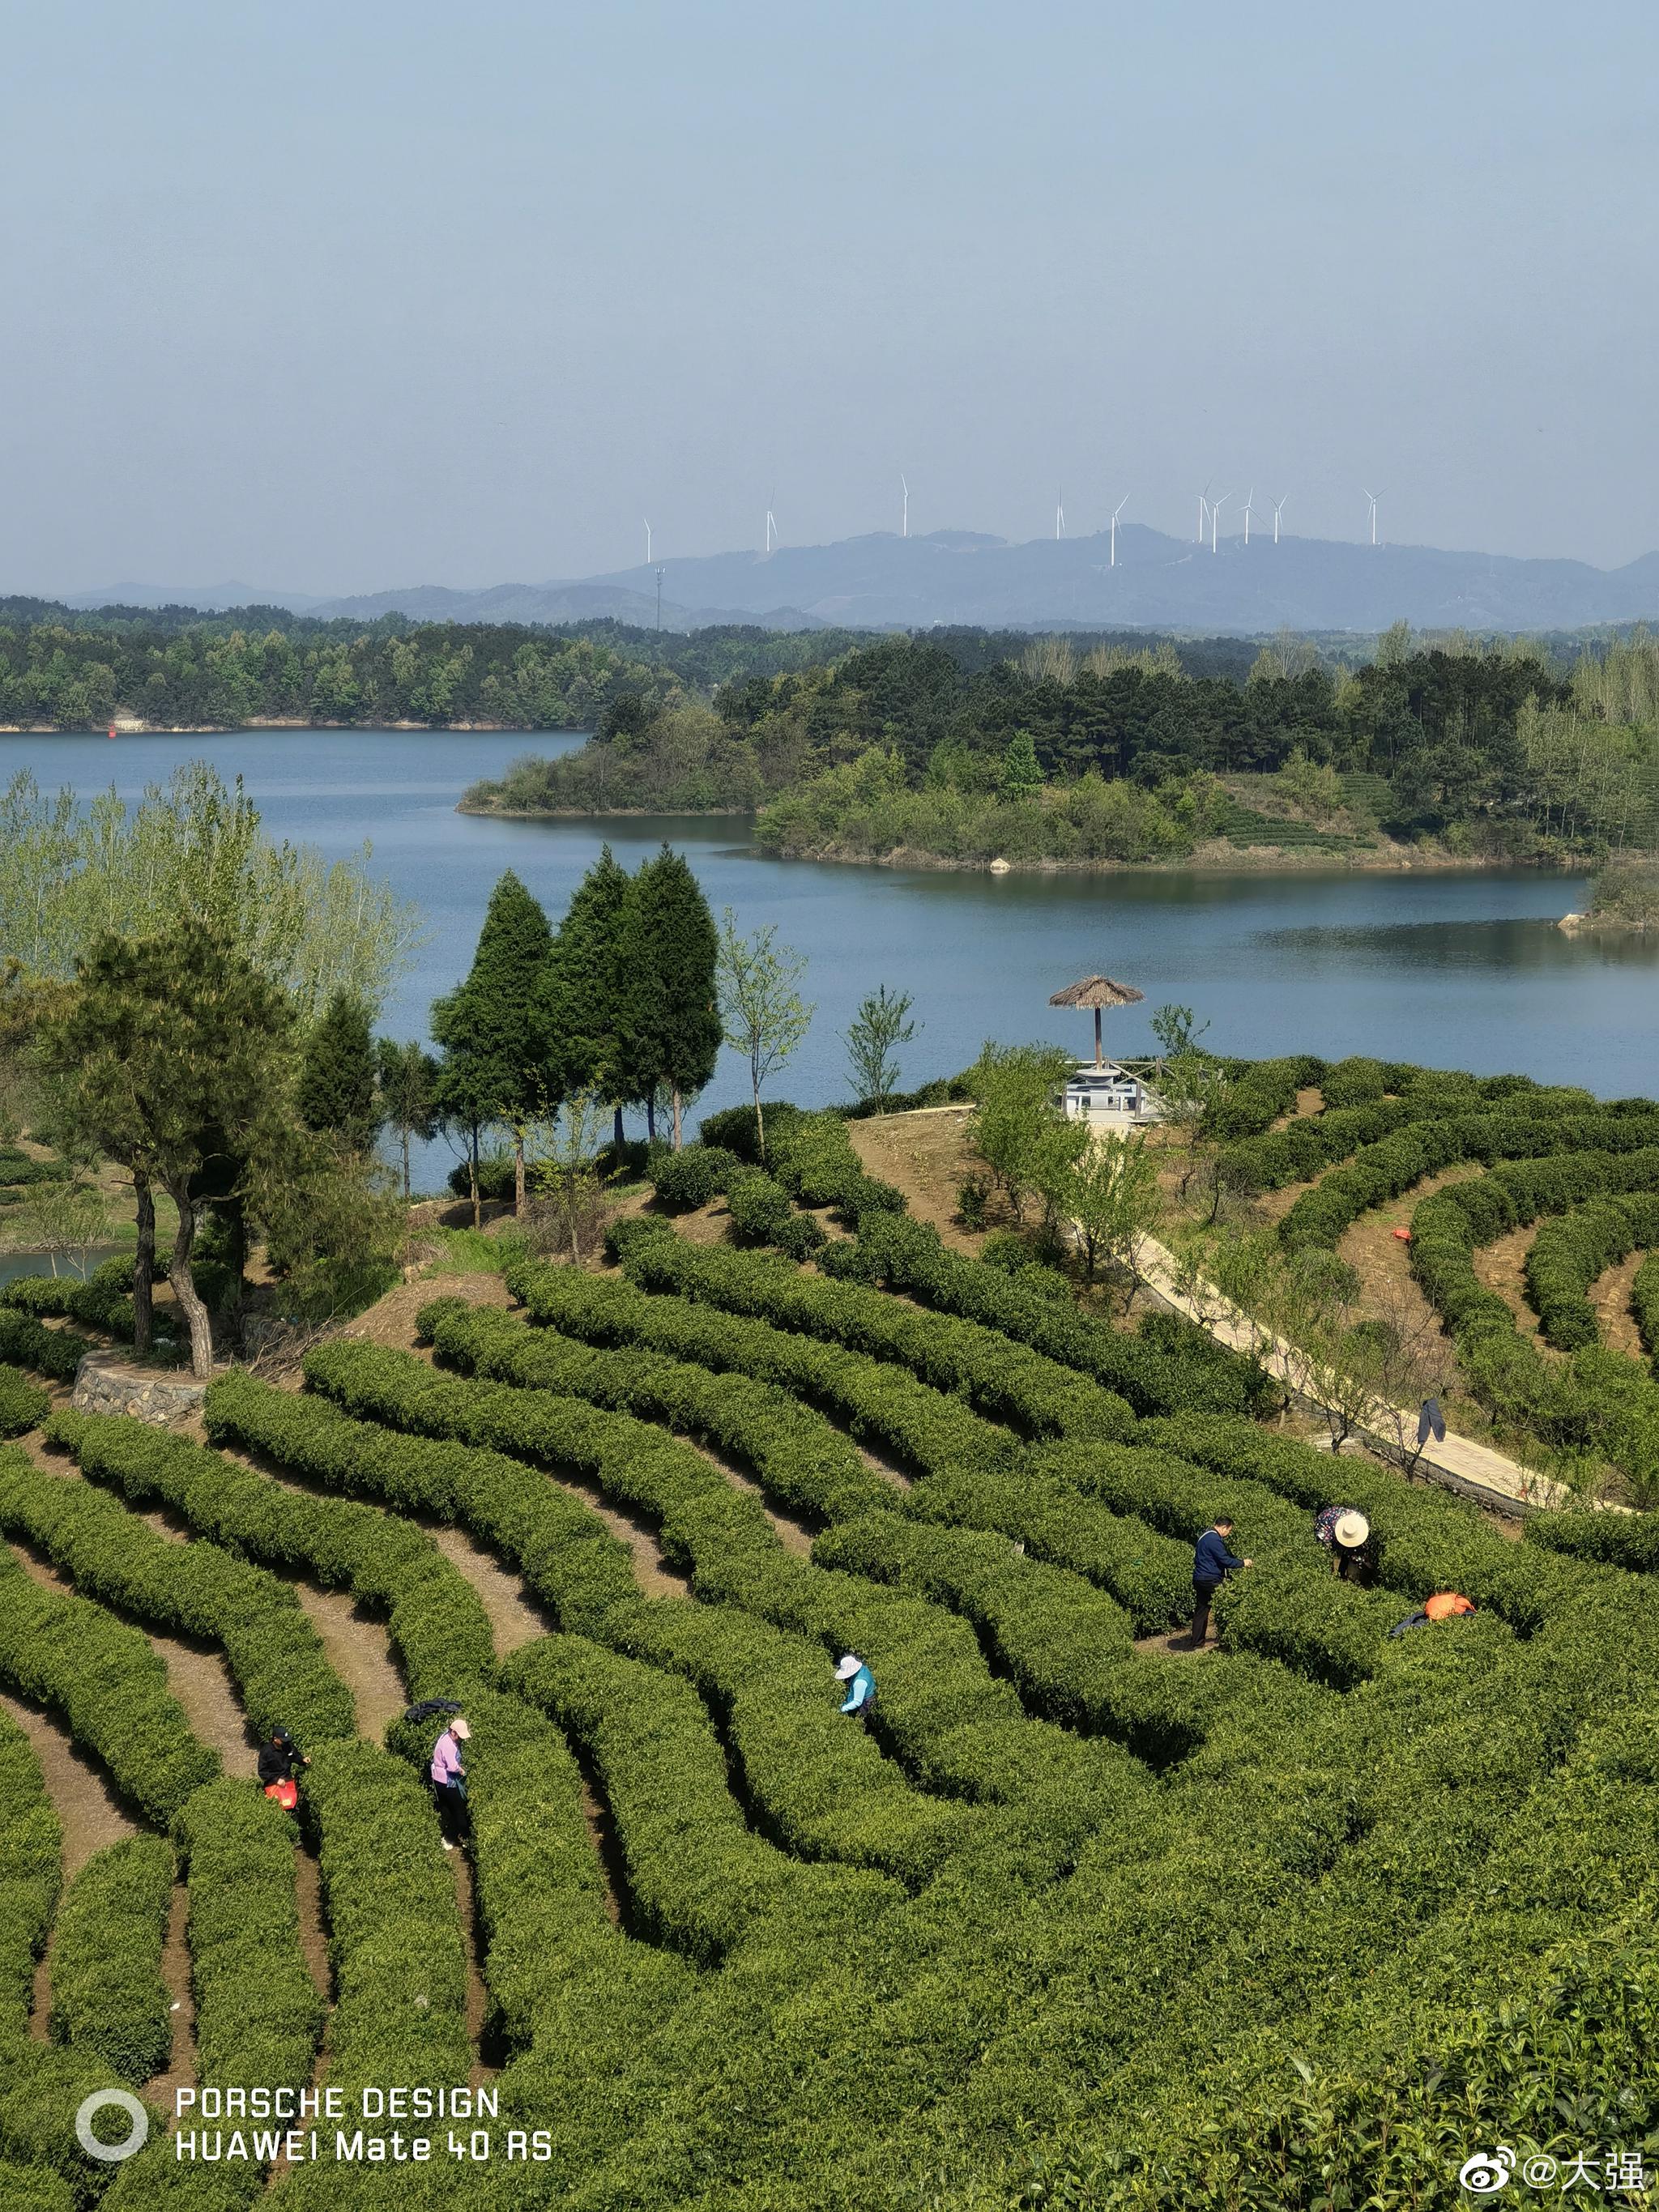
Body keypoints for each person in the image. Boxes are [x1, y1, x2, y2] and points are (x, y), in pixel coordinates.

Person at [1191, 1520, 1252, 1647]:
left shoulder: (1205, 1535)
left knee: (1202, 1610)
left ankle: (1197, 1642)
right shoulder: (1214, 1539)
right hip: (1210, 1579)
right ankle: (1229, 1637)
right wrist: (1242, 1563)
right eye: (1229, 1530)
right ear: (1224, 1527)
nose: (1228, 1533)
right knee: (1231, 1600)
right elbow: (1225, 1560)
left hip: (1199, 1578)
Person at [430, 1715, 471, 1850]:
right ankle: (464, 1837)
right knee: (459, 1810)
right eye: (459, 1737)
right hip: (447, 1782)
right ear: (453, 1732)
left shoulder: (444, 1737)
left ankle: (449, 1836)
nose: (461, 1740)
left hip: (438, 1779)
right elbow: (452, 1767)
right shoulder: (449, 1746)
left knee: (446, 1808)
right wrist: (461, 1771)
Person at [1313, 1505, 1374, 1583]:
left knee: (1350, 1548)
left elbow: (1352, 1551)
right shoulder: (1324, 1532)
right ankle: (1329, 1576)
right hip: (1326, 1523)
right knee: (1325, 1553)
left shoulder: (1359, 1520)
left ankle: (1342, 1573)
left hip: (1339, 1515)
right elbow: (1354, 1557)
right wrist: (1364, 1561)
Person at [258, 1728, 309, 1812]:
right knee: (278, 1808)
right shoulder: (266, 1751)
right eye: (283, 1740)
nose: (285, 1742)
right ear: (275, 1739)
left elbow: (295, 1757)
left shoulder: (288, 1746)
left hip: (288, 1780)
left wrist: (303, 1760)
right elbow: (262, 1772)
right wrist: (276, 1780)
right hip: (273, 1783)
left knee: (292, 1805)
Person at [1389, 1591, 1477, 1638]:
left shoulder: (1450, 1596)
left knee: (1417, 1618)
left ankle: (1396, 1631)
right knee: (1422, 1624)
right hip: (1436, 1612)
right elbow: (1468, 1610)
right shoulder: (1462, 1601)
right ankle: (1398, 1633)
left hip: (1431, 1608)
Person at [834, 1653, 876, 1720]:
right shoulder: (863, 1668)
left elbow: (857, 1702)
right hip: (867, 1691)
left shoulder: (859, 1682)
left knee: (859, 1718)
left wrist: (842, 1709)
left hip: (866, 1701)